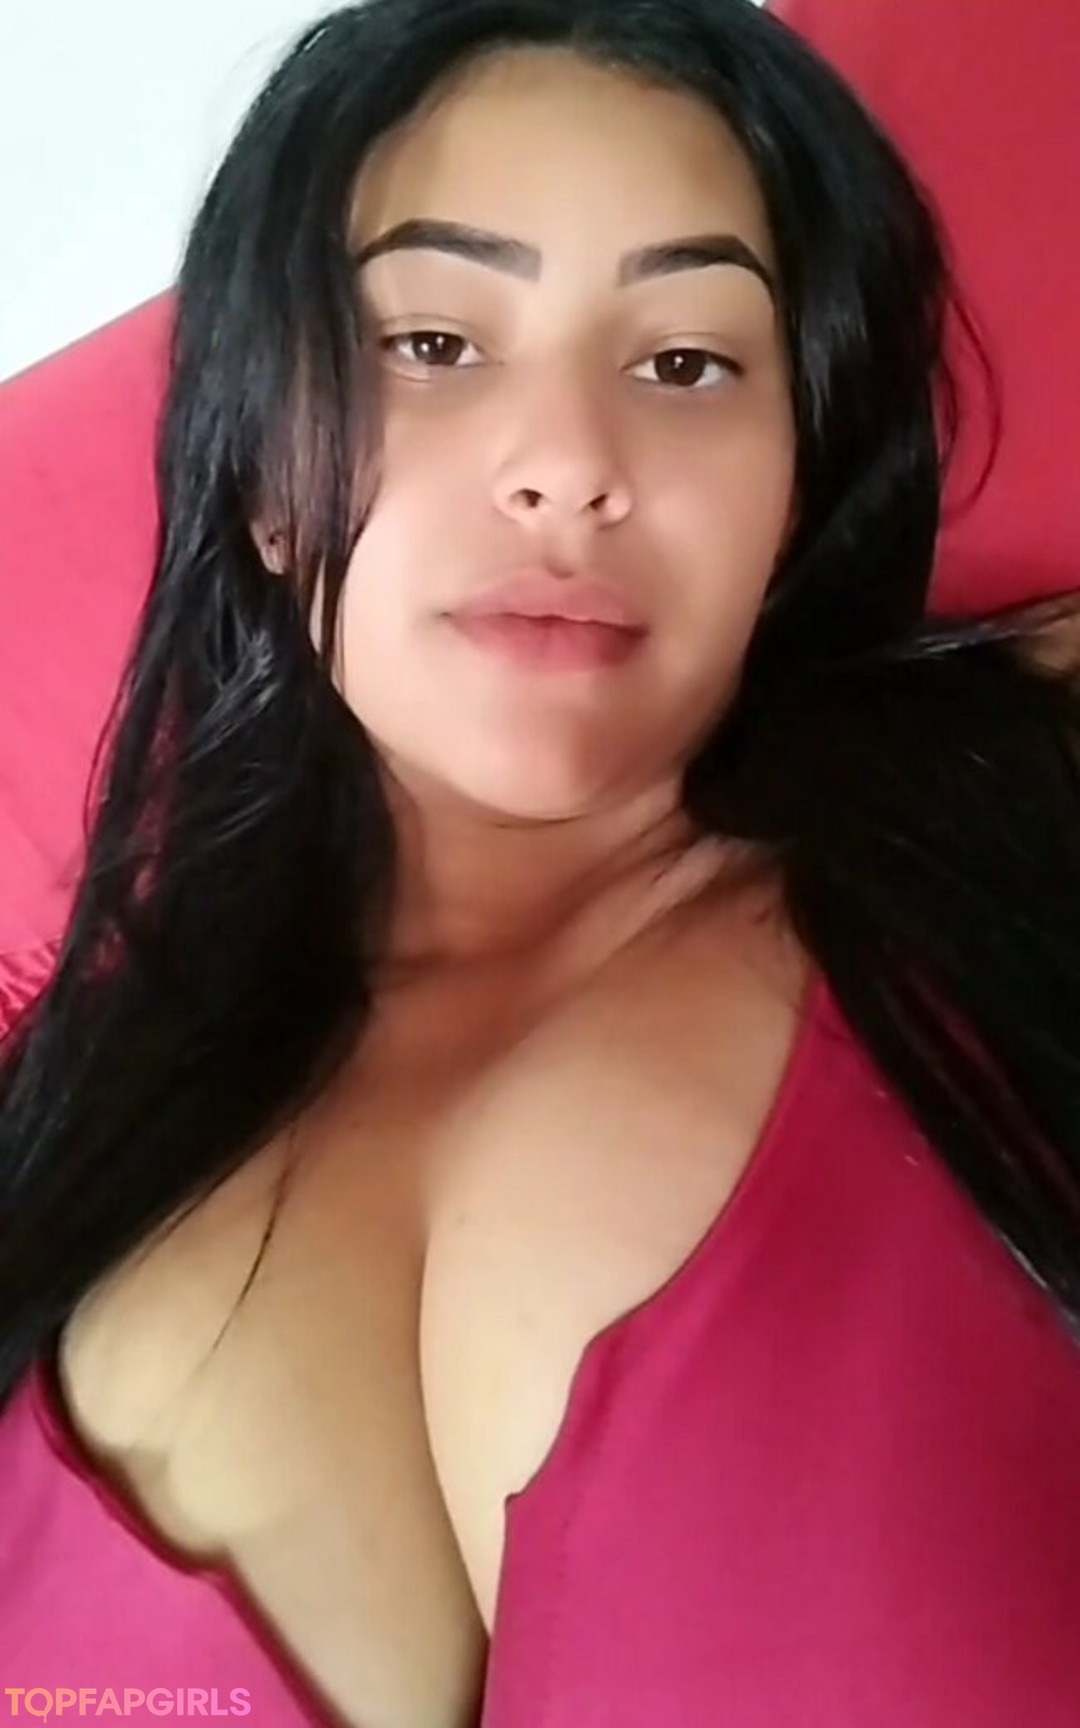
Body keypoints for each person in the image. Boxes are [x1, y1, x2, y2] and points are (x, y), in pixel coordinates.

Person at [1, 1, 1078, 1723]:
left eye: (686, 364)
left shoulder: (1006, 807)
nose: (571, 469)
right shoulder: (84, 1109)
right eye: (433, 341)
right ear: (265, 476)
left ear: (794, 499)